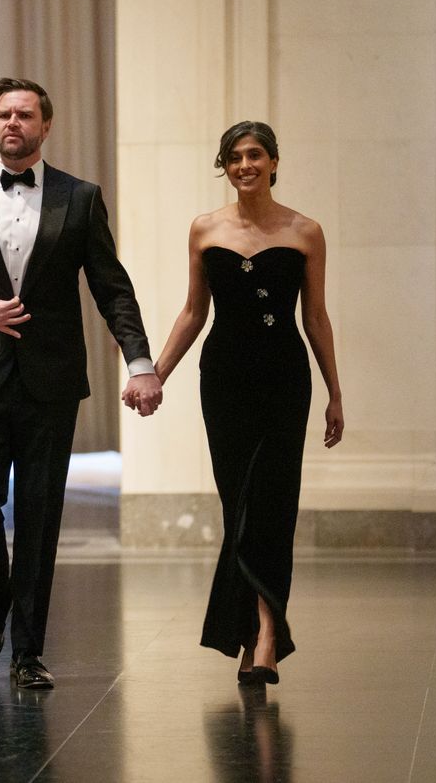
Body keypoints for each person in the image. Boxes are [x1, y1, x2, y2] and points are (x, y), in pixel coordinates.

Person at [0, 78, 162, 689]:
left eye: (25, 115)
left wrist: (140, 363)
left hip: (51, 382)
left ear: (45, 126)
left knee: (40, 515)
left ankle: (27, 654)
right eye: (4, 114)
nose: (13, 123)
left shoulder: (79, 198)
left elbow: (112, 285)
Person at [147, 121, 343, 686]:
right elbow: (192, 312)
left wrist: (335, 392)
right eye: (234, 157)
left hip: (285, 382)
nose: (245, 165)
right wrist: (155, 374)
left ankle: (263, 638)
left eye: (255, 155)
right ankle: (260, 630)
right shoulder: (204, 229)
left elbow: (315, 317)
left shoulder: (307, 231)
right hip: (225, 381)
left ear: (275, 162)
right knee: (240, 506)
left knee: (274, 505)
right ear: (225, 167)